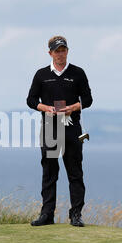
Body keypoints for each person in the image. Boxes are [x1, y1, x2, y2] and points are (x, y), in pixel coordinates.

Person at [26, 36, 93, 227]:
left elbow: (88, 100)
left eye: (63, 50)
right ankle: (47, 215)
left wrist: (74, 107)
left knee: (75, 173)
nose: (60, 54)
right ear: (50, 53)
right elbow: (31, 100)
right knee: (49, 173)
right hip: (50, 129)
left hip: (72, 128)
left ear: (67, 51)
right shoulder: (41, 75)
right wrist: (45, 108)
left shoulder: (78, 73)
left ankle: (76, 215)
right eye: (57, 51)